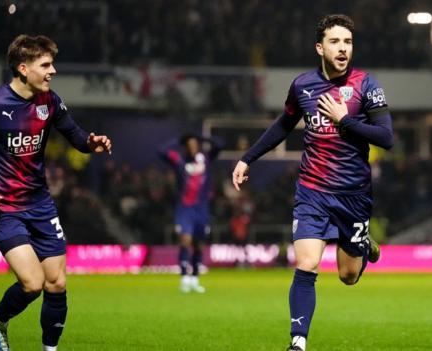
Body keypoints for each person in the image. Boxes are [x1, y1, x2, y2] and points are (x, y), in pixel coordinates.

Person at [232, 14, 393, 351]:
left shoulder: (366, 85)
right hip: (312, 191)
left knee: (348, 277)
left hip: (353, 195)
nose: (343, 48)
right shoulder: (303, 85)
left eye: (348, 42)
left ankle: (363, 246)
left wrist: (344, 120)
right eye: (335, 41)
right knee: (306, 263)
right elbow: (283, 125)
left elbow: (386, 137)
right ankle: (298, 342)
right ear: (320, 47)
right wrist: (248, 158)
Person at [0, 34, 112, 351]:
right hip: (4, 208)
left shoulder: (49, 101)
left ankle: (50, 349)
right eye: (45, 65)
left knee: (57, 282)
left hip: (41, 205)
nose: (52, 71)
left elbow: (76, 136)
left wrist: (90, 143)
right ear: (23, 68)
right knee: (32, 283)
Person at [160, 134, 221, 293]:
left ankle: (194, 278)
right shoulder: (179, 160)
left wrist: (202, 138)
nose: (193, 147)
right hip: (185, 208)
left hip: (202, 208)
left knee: (199, 245)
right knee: (185, 240)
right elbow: (161, 151)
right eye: (189, 145)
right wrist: (179, 139)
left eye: (195, 144)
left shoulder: (205, 159)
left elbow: (219, 145)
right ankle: (184, 278)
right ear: (185, 147)